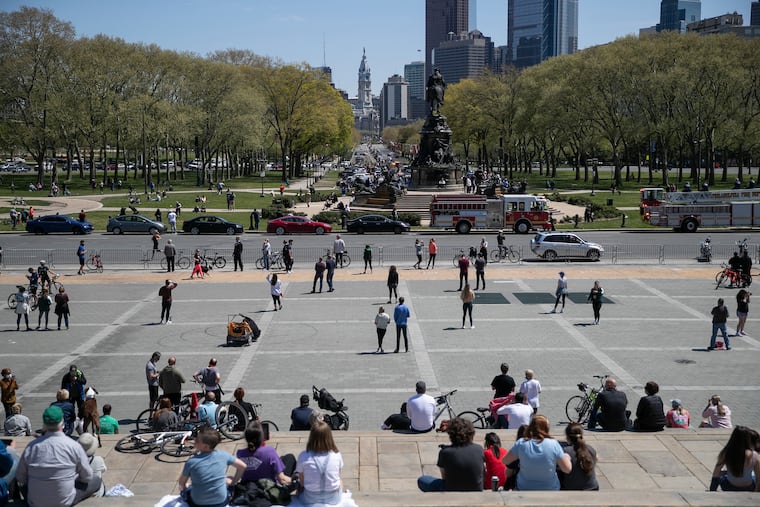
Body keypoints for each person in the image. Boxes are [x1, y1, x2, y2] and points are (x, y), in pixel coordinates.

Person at [16, 406, 102, 506]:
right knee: (95, 480)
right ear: (62, 423)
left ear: (44, 424)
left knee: (24, 485)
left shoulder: (31, 447)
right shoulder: (73, 446)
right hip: (63, 501)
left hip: (36, 502)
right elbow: (87, 476)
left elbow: (20, 477)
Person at [178, 428, 246, 507]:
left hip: (198, 503)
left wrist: (186, 486)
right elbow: (242, 466)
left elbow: (181, 483)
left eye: (197, 440)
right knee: (229, 478)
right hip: (221, 502)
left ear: (206, 446)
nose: (194, 440)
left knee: (186, 488)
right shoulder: (223, 455)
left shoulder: (191, 462)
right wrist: (233, 482)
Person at [503, 415, 571, 491]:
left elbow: (505, 461)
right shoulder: (554, 444)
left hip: (524, 488)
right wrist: (566, 457)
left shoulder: (521, 443)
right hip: (550, 489)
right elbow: (567, 469)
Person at [417, 417, 483, 492]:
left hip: (451, 489)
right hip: (475, 489)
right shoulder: (479, 449)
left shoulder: (445, 452)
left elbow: (444, 477)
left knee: (422, 480)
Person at [238, 420, 294, 485]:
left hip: (249, 488)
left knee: (283, 458)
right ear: (262, 436)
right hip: (267, 489)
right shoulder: (270, 452)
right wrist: (298, 481)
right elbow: (282, 479)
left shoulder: (240, 454)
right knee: (290, 458)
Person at [709, 426, 760, 492]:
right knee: (753, 477)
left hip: (729, 486)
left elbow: (716, 472)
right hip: (749, 487)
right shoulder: (754, 455)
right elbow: (758, 476)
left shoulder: (726, 453)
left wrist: (712, 489)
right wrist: (756, 490)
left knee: (723, 477)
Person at [559, 423, 599, 491]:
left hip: (572, 489)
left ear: (568, 438)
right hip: (592, 488)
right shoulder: (590, 449)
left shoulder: (566, 451)